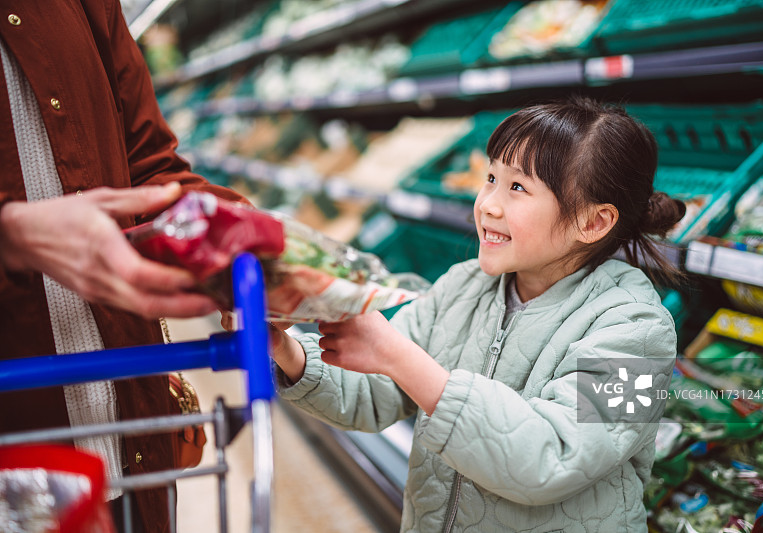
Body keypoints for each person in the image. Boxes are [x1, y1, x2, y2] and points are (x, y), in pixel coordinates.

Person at [268, 97, 687, 532]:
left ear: (594, 222)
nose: (488, 203)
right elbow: (373, 394)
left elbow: (553, 460)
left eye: (517, 187)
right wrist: (285, 348)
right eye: (491, 177)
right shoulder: (462, 286)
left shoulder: (641, 336)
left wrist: (400, 357)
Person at [0, 2, 248, 531]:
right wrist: (11, 238)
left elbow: (149, 165)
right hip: (18, 457)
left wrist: (241, 235)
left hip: (135, 439)